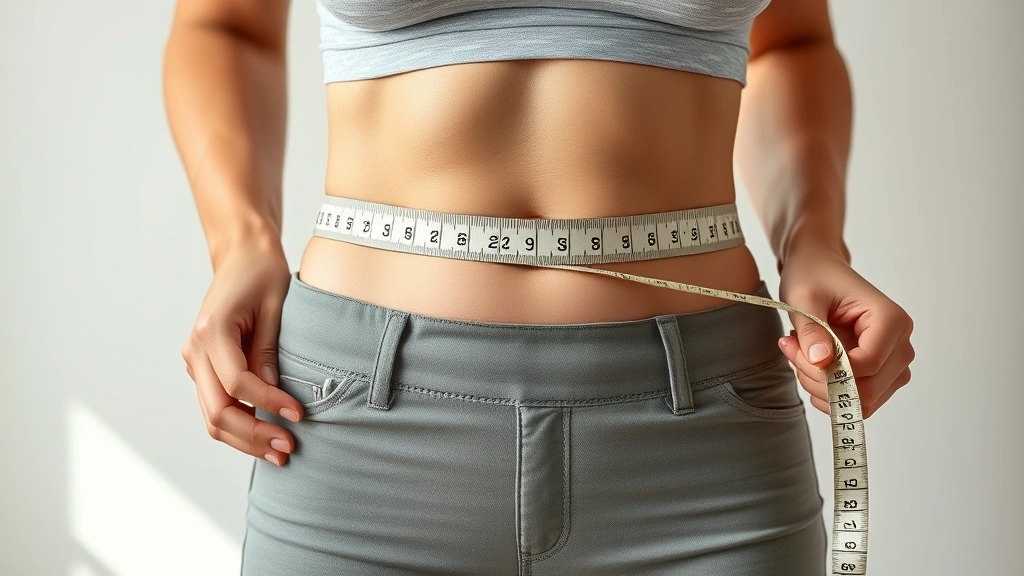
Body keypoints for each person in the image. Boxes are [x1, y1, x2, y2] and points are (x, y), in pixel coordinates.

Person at [164, 0, 916, 574]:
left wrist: (812, 239)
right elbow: (227, 24)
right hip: (358, 433)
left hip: (706, 443)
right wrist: (240, 242)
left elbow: (791, 42)